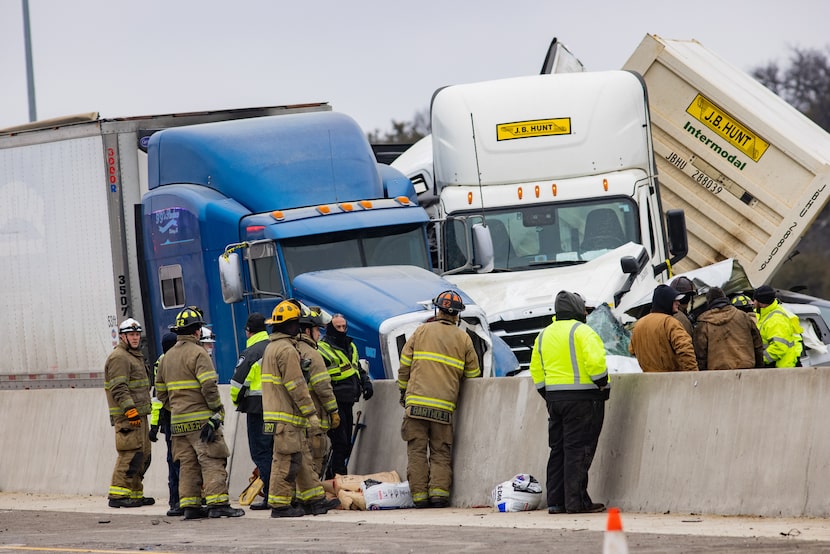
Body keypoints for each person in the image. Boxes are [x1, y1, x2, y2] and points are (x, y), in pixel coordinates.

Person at [155, 307, 244, 520]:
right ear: (197, 331)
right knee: (211, 459)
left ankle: (190, 506)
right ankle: (218, 504)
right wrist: (215, 409)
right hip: (201, 420)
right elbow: (209, 386)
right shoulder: (198, 353)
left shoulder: (167, 358)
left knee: (187, 464)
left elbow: (160, 392)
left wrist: (176, 409)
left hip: (177, 424)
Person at [397, 290, 481, 508]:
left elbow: (404, 366)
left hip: (416, 405)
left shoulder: (421, 331)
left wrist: (403, 393)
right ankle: (438, 495)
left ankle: (419, 498)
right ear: (457, 315)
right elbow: (473, 375)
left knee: (416, 451)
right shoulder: (464, 338)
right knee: (440, 451)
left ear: (438, 310)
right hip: (444, 408)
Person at [530, 291, 608, 515]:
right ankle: (576, 503)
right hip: (584, 399)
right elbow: (595, 363)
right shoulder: (583, 331)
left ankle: (556, 502)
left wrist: (547, 391)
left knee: (558, 450)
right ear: (577, 310)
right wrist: (602, 384)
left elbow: (536, 368)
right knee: (578, 451)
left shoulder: (543, 334)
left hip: (555, 400)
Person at [261, 300, 340, 517]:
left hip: (282, 417)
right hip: (286, 417)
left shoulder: (272, 347)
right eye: (296, 323)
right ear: (288, 325)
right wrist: (311, 413)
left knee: (302, 458)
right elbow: (296, 386)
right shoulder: (286, 350)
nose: (299, 327)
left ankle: (315, 500)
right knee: (285, 461)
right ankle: (280, 506)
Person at [104, 318, 154, 508]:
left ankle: (134, 494)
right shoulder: (119, 357)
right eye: (131, 334)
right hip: (128, 417)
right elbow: (119, 387)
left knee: (143, 455)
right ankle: (118, 495)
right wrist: (130, 410)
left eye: (136, 334)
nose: (135, 338)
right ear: (123, 336)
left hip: (139, 415)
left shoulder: (134, 356)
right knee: (130, 454)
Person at [318, 314, 373, 478]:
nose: (342, 330)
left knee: (345, 442)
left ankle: (332, 475)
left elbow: (356, 368)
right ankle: (338, 476)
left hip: (348, 400)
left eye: (344, 327)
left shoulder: (351, 346)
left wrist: (366, 383)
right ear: (330, 328)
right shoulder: (323, 348)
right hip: (333, 401)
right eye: (338, 327)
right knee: (340, 442)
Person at [229, 313, 272, 511]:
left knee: (261, 452)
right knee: (277, 451)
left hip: (257, 409)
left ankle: (270, 495)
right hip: (279, 408)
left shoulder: (251, 352)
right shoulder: (275, 346)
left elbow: (237, 383)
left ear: (248, 331)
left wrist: (236, 399)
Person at [294, 304, 340, 476]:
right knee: (314, 459)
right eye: (316, 330)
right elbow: (323, 387)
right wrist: (333, 411)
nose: (319, 334)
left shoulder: (287, 350)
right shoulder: (312, 354)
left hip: (291, 421)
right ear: (307, 331)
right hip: (313, 418)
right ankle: (311, 499)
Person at [629, 284, 699, 372]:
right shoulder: (670, 322)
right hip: (671, 380)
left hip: (648, 381)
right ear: (666, 301)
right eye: (675, 300)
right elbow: (685, 349)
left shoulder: (639, 325)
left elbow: (632, 350)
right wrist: (693, 375)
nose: (678, 303)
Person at [149, 332, 181, 516]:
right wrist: (154, 426)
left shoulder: (161, 362)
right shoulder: (168, 362)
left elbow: (157, 398)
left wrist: (154, 426)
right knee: (179, 460)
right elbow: (159, 398)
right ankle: (178, 500)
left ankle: (175, 501)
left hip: (169, 419)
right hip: (175, 417)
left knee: (173, 459)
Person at [693, 287, 764, 370]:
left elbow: (700, 355)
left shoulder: (704, 323)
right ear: (724, 297)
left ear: (709, 302)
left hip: (717, 375)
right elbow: (758, 345)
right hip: (746, 371)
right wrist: (759, 367)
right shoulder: (743, 317)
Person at [753, 285, 804, 367]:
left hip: (783, 368)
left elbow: (779, 347)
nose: (753, 302)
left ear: (761, 303)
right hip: (778, 366)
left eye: (755, 300)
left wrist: (759, 360)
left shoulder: (776, 320)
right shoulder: (764, 314)